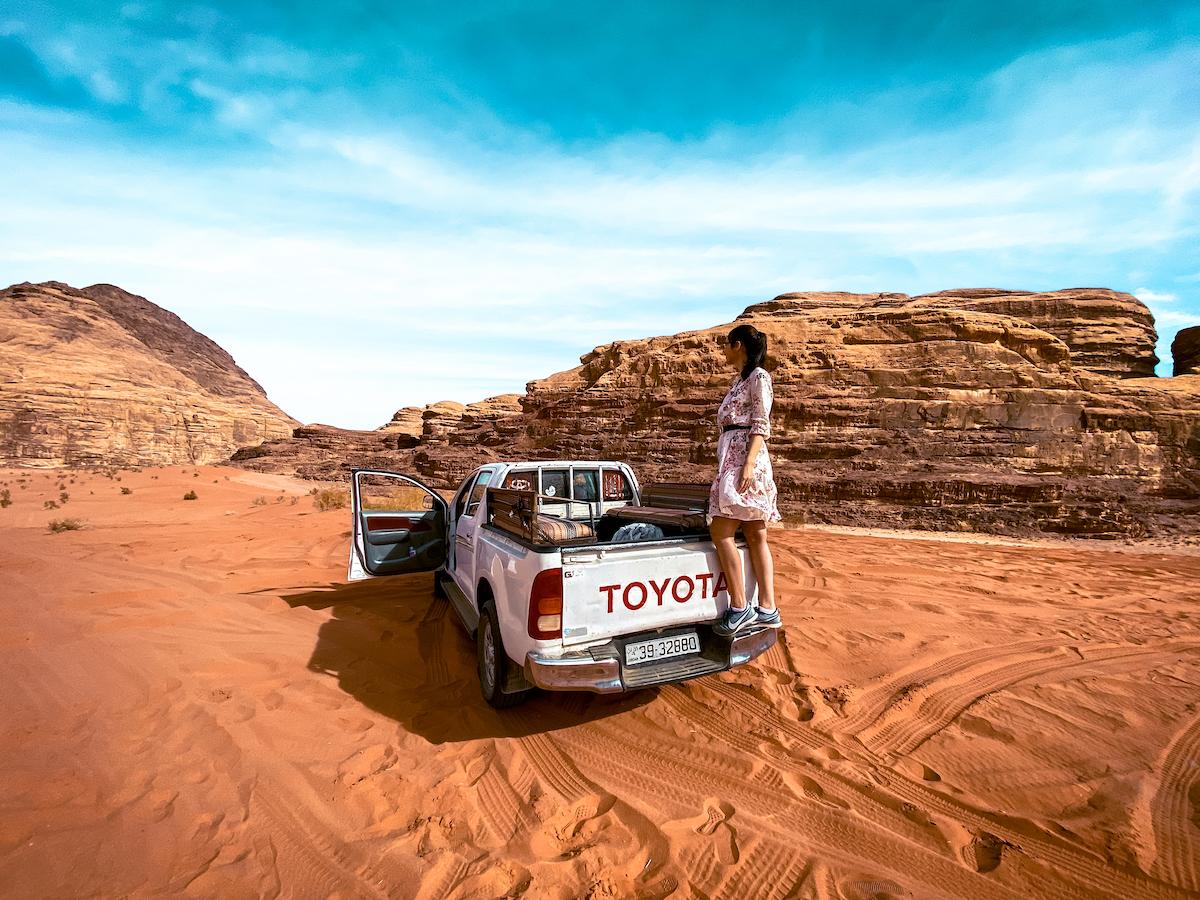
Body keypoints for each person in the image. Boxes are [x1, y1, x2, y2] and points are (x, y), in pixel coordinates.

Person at [708, 323, 782, 634]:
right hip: (735, 457)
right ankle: (768, 608)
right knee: (755, 535)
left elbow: (760, 422)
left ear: (738, 345)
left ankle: (739, 607)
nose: (722, 350)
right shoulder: (740, 380)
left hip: (744, 460)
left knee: (721, 531)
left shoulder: (758, 377)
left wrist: (748, 464)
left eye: (726, 344)